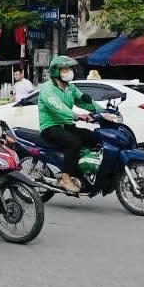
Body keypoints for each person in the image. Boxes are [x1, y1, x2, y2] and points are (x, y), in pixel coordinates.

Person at [38, 55, 98, 194]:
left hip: (67, 126)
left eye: (70, 69)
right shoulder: (47, 89)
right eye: (65, 70)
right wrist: (76, 115)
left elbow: (84, 101)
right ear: (56, 72)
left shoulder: (70, 88)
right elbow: (58, 107)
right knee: (74, 143)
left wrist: (103, 112)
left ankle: (82, 171)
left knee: (93, 137)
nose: (69, 72)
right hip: (50, 128)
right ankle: (66, 178)